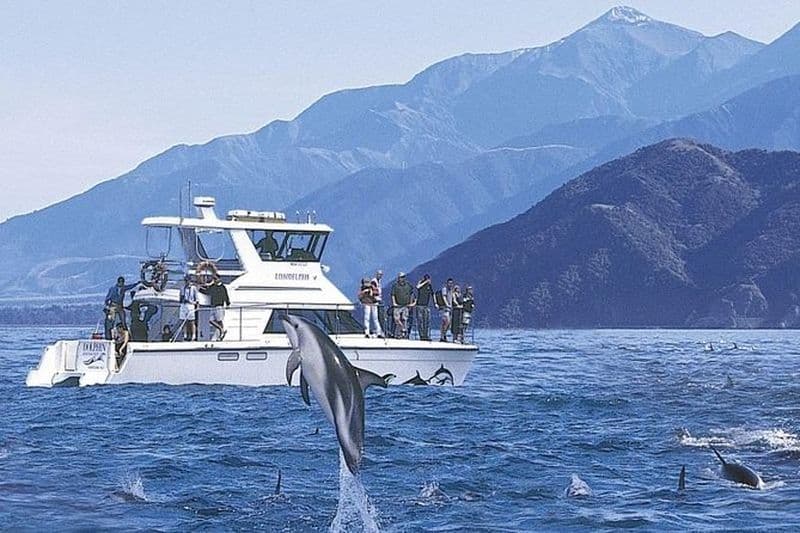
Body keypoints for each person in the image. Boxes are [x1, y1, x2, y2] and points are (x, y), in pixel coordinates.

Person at [200, 276, 230, 341]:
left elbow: (226, 295)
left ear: (219, 279)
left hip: (219, 305)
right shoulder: (213, 286)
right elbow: (207, 292)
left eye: (216, 279)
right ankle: (222, 330)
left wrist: (228, 303)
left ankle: (221, 334)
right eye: (214, 279)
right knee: (211, 320)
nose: (215, 280)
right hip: (213, 306)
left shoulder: (222, 287)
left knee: (219, 320)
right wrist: (200, 289)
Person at [391, 272, 414, 339]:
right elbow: (393, 295)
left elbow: (411, 294)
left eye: (403, 277)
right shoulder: (395, 285)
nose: (401, 278)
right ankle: (402, 329)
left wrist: (411, 303)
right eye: (400, 277)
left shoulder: (408, 285)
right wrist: (394, 303)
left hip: (406, 305)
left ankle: (402, 334)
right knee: (396, 319)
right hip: (397, 305)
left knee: (405, 319)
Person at [179, 275, 199, 341]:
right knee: (184, 321)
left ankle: (193, 335)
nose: (186, 282)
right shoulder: (182, 288)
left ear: (190, 281)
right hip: (183, 305)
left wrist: (196, 305)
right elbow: (180, 297)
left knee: (191, 321)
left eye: (187, 280)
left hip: (190, 305)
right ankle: (185, 335)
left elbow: (197, 299)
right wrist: (182, 300)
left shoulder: (193, 288)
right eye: (185, 280)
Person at [415, 274, 434, 341]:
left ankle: (426, 335)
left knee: (426, 321)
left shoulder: (429, 286)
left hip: (426, 305)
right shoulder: (420, 283)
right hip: (419, 305)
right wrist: (425, 282)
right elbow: (417, 287)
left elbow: (432, 294)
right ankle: (421, 335)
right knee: (420, 321)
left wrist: (435, 303)